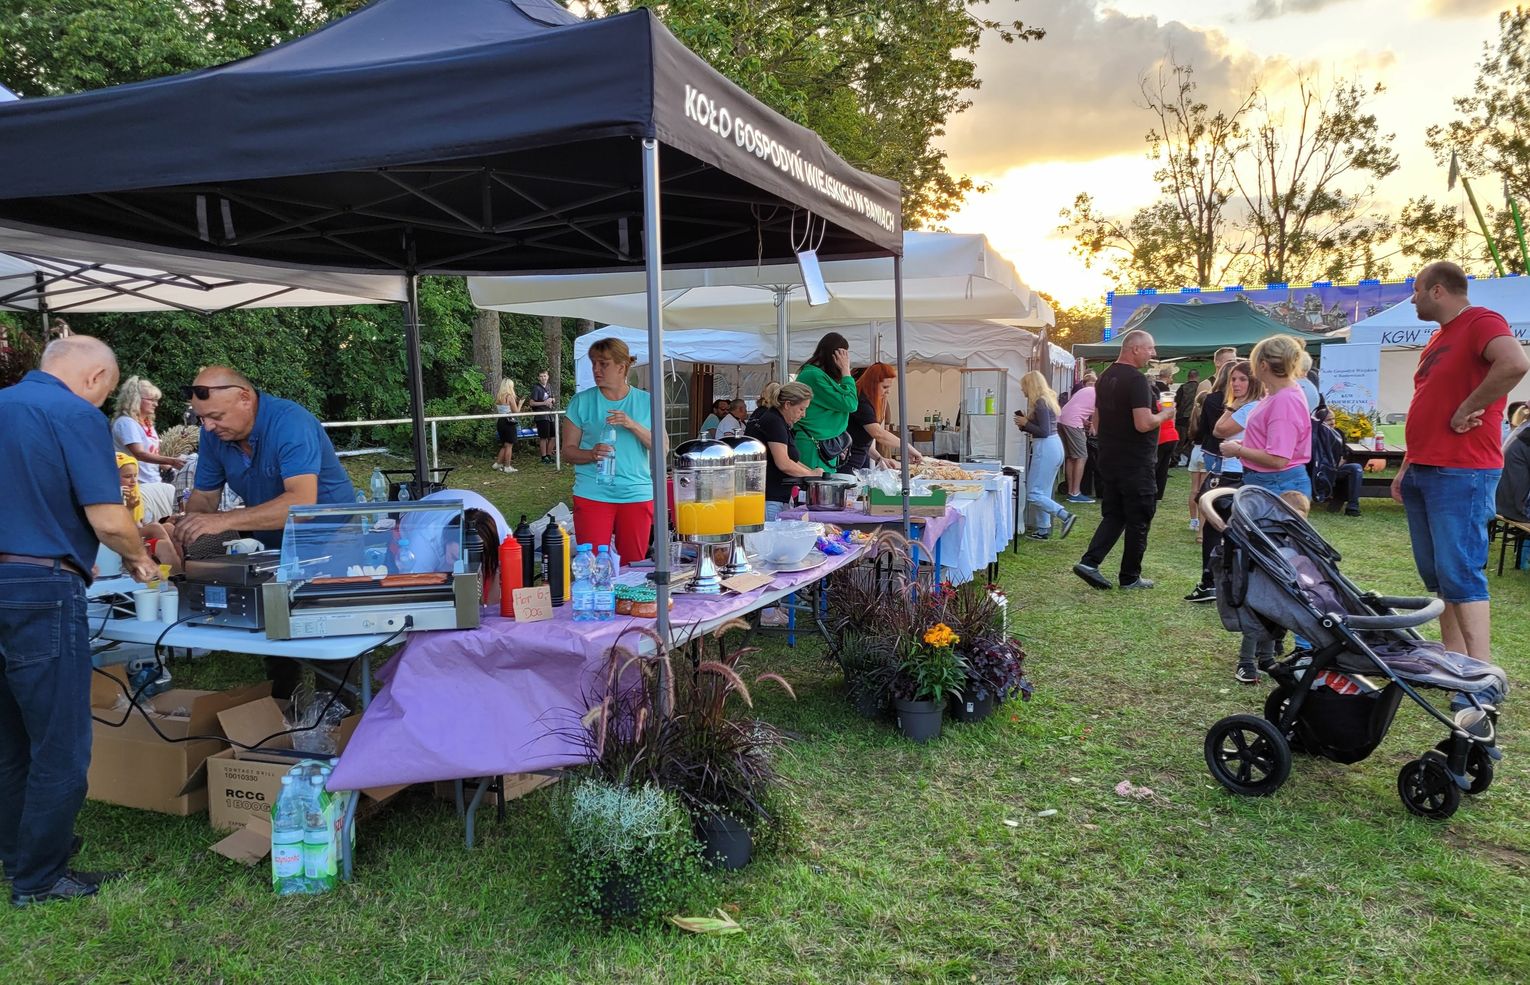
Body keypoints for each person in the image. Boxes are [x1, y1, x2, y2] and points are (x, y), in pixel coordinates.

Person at [1, 335, 158, 906]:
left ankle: (18, 857)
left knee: (8, 736)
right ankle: (40, 879)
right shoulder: (73, 413)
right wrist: (139, 559)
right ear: (95, 379)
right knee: (60, 740)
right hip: (39, 587)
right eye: (106, 393)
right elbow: (109, 518)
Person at [173, 366, 355, 699]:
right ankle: (282, 709)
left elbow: (301, 503)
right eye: (202, 419)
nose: (208, 426)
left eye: (215, 416)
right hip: (272, 539)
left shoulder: (290, 422)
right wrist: (187, 527)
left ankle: (336, 716)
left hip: (333, 533)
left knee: (329, 633)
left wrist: (223, 521)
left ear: (245, 398)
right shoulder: (213, 435)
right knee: (273, 628)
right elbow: (205, 498)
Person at [1392, 261, 1530, 664]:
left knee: (1460, 572)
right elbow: (1428, 403)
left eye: (1416, 290)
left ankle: (1480, 673)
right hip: (1425, 468)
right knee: (1440, 574)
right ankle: (1454, 660)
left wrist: (1468, 407)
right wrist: (1406, 467)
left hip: (1461, 470)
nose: (1413, 299)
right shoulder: (1439, 338)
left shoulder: (1481, 321)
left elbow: (1515, 363)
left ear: (1437, 290)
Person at [1073, 330, 1174, 590]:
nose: (1153, 354)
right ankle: (1130, 576)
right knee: (1140, 516)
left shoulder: (1105, 376)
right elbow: (1143, 423)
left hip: (1110, 457)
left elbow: (1097, 419)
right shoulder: (1136, 380)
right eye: (1150, 348)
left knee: (1115, 513)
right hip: (1135, 461)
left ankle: (1089, 562)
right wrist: (1165, 415)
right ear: (1135, 349)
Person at [562, 337, 656, 565]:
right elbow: (567, 452)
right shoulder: (581, 402)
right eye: (593, 363)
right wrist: (591, 454)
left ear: (622, 367)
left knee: (634, 566)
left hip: (636, 492)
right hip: (593, 493)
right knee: (592, 565)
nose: (596, 369)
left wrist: (632, 424)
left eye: (603, 364)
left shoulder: (647, 401)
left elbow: (661, 447)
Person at [1184, 360, 1264, 606]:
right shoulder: (1251, 406)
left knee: (1220, 528)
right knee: (1220, 528)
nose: (1236, 384)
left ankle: (1212, 582)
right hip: (1230, 471)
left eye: (1242, 379)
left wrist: (1232, 406)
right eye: (1233, 379)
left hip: (1234, 473)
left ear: (1254, 382)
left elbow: (1220, 430)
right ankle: (1215, 581)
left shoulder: (1250, 407)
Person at [1220, 335, 1314, 499]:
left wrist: (1238, 450)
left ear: (1263, 365)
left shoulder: (1284, 401)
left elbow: (1278, 459)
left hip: (1276, 484)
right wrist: (1243, 445)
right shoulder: (1279, 394)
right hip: (1271, 481)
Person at [745, 382, 822, 521]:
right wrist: (811, 475)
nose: (803, 415)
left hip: (778, 496)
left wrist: (812, 473)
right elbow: (784, 463)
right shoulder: (774, 422)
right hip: (770, 497)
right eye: (801, 409)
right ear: (787, 405)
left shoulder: (779, 422)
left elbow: (791, 460)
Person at [1016, 371, 1076, 541]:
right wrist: (1025, 424)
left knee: (1034, 493)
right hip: (1054, 446)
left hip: (1045, 447)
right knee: (1043, 491)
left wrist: (1026, 423)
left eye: (1023, 386)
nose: (1022, 390)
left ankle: (1065, 516)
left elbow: (1043, 431)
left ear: (1030, 385)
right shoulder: (1047, 400)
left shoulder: (1040, 402)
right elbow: (1044, 428)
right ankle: (1043, 529)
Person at [793, 332, 858, 473]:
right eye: (843, 356)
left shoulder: (818, 375)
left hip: (822, 443)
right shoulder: (813, 375)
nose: (845, 360)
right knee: (815, 485)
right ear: (834, 356)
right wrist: (846, 371)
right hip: (813, 444)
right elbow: (850, 403)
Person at [842, 362, 924, 472]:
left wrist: (880, 458)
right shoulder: (861, 401)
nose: (888, 391)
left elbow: (863, 441)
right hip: (846, 464)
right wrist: (907, 447)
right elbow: (878, 434)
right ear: (872, 384)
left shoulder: (865, 399)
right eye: (885, 387)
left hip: (854, 463)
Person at [111, 376, 185, 489]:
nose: (156, 404)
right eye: (151, 400)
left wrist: (167, 467)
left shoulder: (147, 424)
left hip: (152, 482)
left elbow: (151, 454)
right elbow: (139, 454)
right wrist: (172, 461)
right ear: (136, 399)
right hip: (136, 485)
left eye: (156, 400)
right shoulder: (126, 423)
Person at [1310, 406, 1364, 516]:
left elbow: (1343, 455)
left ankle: (1353, 506)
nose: (1332, 422)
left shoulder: (1338, 433)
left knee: (1356, 468)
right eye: (1328, 420)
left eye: (1333, 419)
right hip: (1318, 470)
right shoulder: (1314, 435)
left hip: (1335, 468)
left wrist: (1338, 463)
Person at [1056, 372, 1096, 503]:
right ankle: (1075, 492)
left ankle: (1071, 491)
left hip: (1062, 420)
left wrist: (1086, 422)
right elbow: (1099, 413)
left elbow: (1076, 407)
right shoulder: (1100, 393)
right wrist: (1093, 426)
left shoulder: (1086, 390)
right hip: (1072, 422)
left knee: (1071, 457)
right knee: (1081, 456)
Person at [1153, 366, 1180, 500]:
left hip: (1161, 438)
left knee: (1155, 467)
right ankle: (1159, 494)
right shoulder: (1168, 406)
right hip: (1173, 436)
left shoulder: (1153, 407)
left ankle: (1153, 492)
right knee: (1163, 468)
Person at [492, 378, 523, 474]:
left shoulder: (499, 397)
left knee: (504, 445)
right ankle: (507, 466)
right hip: (508, 422)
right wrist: (520, 404)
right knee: (509, 445)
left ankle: (498, 463)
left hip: (500, 421)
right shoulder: (509, 397)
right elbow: (516, 412)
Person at [529, 370, 558, 464]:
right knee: (543, 437)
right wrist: (544, 403)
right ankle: (544, 456)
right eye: (541, 376)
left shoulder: (549, 386)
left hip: (550, 414)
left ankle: (549, 455)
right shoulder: (536, 388)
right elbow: (531, 403)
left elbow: (553, 398)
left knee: (553, 436)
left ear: (548, 377)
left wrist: (552, 400)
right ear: (538, 378)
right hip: (541, 415)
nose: (543, 378)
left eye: (545, 376)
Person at [1174, 369, 1200, 464]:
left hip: (1181, 418)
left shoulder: (1182, 388)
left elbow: (1176, 403)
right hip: (1195, 418)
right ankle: (1188, 459)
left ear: (1188, 377)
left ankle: (1175, 460)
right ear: (1197, 377)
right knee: (1192, 441)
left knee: (1179, 441)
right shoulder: (1200, 388)